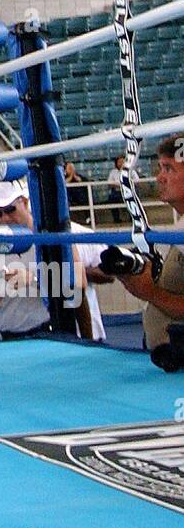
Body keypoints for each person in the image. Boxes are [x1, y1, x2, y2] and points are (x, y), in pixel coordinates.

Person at [99, 135, 184, 369]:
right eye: (159, 168)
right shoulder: (177, 229)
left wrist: (150, 292)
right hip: (168, 359)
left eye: (168, 168)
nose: (159, 177)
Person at [0, 182, 87, 341]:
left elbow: (79, 287)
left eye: (10, 210)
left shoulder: (51, 235)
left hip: (49, 334)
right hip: (7, 339)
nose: (5, 218)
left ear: (24, 202)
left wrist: (35, 279)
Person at [106, 155, 138, 224]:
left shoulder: (131, 171)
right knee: (112, 198)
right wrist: (121, 184)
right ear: (116, 163)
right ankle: (116, 219)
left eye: (123, 161)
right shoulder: (113, 172)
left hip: (129, 191)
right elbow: (109, 183)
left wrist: (124, 184)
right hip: (117, 191)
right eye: (119, 162)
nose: (121, 163)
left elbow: (137, 181)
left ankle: (133, 218)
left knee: (133, 198)